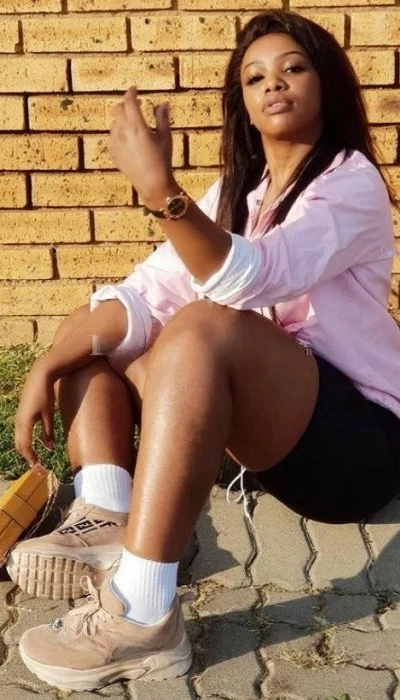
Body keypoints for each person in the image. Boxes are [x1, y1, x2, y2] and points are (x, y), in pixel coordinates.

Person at [8, 8, 400, 691]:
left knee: (201, 327)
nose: (273, 83)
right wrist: (49, 363)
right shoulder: (238, 194)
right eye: (255, 77)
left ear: (327, 83)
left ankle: (143, 615)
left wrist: (162, 193)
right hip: (267, 445)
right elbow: (144, 293)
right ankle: (105, 514)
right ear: (242, 103)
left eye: (293, 68)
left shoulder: (349, 181)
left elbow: (254, 276)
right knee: (99, 332)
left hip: (353, 451)